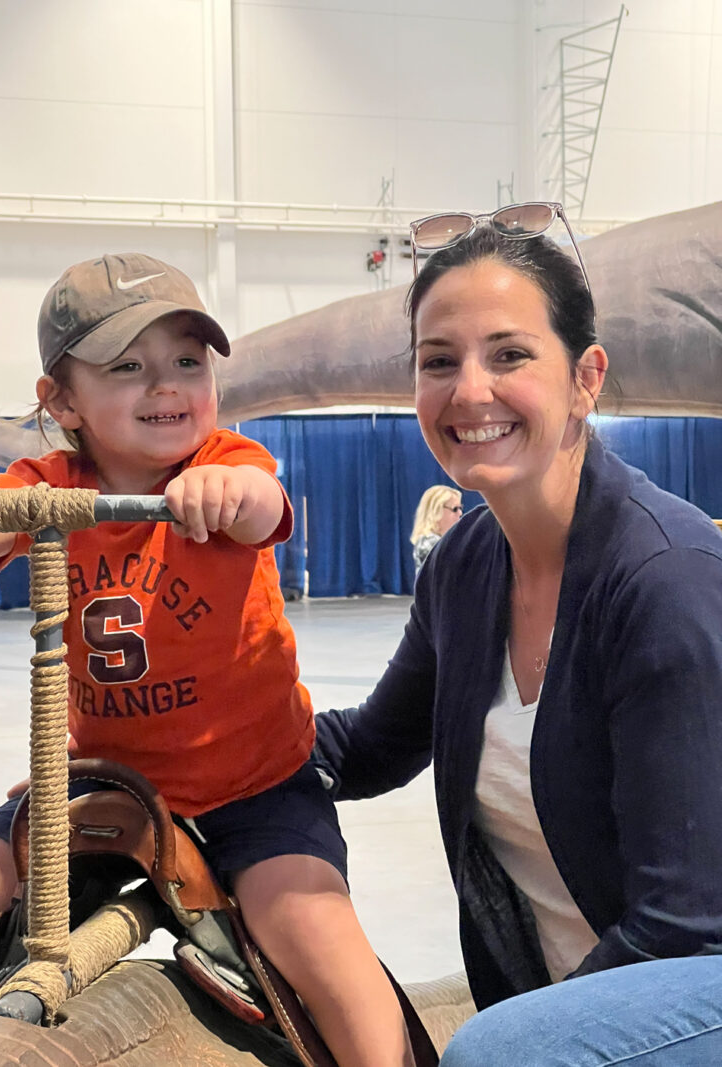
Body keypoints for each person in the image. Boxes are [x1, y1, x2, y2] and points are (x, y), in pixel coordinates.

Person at [0, 253, 415, 1067]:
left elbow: (261, 509)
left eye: (187, 360)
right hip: (110, 779)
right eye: (129, 367)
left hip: (252, 784)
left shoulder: (228, 461)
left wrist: (225, 492)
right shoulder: (48, 482)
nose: (167, 385)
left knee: (319, 935)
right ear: (61, 400)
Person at [313, 206, 722, 1062]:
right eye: (438, 362)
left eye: (509, 355)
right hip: (598, 984)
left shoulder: (666, 579)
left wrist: (533, 1030)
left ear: (585, 378)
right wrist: (166, 756)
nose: (469, 391)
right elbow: (366, 748)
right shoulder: (465, 566)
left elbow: (685, 923)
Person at [410, 484, 463, 572]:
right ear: (436, 511)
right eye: (455, 509)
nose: (460, 513)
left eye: (460, 508)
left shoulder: (446, 541)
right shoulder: (427, 542)